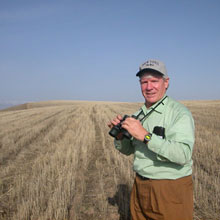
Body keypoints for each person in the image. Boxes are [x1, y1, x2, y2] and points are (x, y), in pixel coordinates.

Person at [108, 59, 195, 220]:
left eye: (154, 81)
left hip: (169, 188)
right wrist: (120, 137)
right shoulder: (138, 114)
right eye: (144, 82)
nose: (149, 87)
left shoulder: (179, 113)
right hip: (140, 186)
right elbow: (128, 151)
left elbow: (183, 154)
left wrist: (146, 136)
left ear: (166, 82)